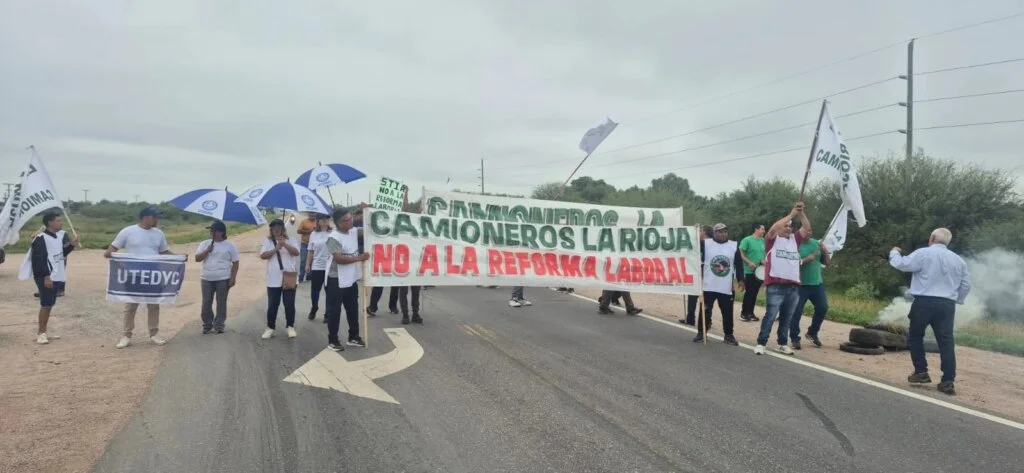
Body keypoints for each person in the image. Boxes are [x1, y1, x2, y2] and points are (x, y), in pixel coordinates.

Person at [890, 228, 971, 396]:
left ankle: (921, 371)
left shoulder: (923, 253)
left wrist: (894, 252)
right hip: (947, 304)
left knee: (915, 335)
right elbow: (965, 285)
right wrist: (957, 299)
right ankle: (948, 381)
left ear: (932, 238)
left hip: (924, 302)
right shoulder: (958, 260)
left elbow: (902, 264)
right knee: (946, 341)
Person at [105, 206, 177, 349]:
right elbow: (113, 248)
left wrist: (177, 257)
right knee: (130, 305)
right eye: (155, 217)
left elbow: (164, 251)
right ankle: (126, 335)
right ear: (145, 217)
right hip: (133, 275)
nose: (157, 219)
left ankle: (153, 334)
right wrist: (109, 254)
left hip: (153, 275)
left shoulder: (159, 233)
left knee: (154, 305)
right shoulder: (128, 231)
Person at [754, 202, 810, 356]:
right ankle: (761, 343)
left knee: (787, 318)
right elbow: (773, 228)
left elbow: (807, 228)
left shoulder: (795, 240)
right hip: (775, 286)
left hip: (793, 287)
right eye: (785, 226)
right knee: (771, 316)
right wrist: (791, 215)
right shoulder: (772, 240)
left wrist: (801, 213)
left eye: (790, 226)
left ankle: (782, 343)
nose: (788, 228)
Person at [28, 211, 78, 344]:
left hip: (56, 275)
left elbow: (61, 254)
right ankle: (41, 333)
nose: (61, 222)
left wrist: (72, 245)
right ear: (50, 222)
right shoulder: (41, 238)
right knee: (45, 304)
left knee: (50, 304)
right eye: (58, 220)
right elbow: (38, 259)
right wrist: (46, 276)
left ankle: (44, 331)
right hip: (47, 276)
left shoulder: (58, 237)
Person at [325, 207, 368, 349]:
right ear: (338, 223)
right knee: (334, 311)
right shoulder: (333, 237)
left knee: (352, 308)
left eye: (351, 218)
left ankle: (353, 336)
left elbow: (370, 228)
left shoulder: (354, 232)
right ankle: (333, 340)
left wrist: (369, 211)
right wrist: (359, 258)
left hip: (350, 278)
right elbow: (339, 259)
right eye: (346, 220)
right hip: (335, 279)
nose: (350, 221)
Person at [693, 223, 743, 346]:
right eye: (719, 232)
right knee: (704, 310)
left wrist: (741, 279)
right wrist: (693, 232)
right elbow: (692, 248)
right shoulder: (706, 244)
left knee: (727, 312)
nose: (722, 234)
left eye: (725, 231)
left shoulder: (734, 246)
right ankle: (701, 332)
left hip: (726, 286)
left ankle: (728, 335)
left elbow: (739, 264)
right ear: (714, 233)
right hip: (708, 284)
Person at [195, 220, 239, 334]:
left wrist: (233, 278)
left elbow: (235, 263)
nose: (212, 233)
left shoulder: (230, 245)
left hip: (223, 278)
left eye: (214, 231)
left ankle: (219, 324)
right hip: (206, 278)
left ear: (221, 232)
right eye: (211, 231)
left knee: (221, 302)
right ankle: (207, 324)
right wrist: (207, 251)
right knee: (206, 302)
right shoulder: (205, 244)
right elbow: (197, 258)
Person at [788, 231, 831, 349]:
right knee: (796, 311)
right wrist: (807, 259)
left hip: (817, 283)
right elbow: (789, 264)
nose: (809, 232)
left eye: (810, 230)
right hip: (800, 285)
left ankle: (812, 333)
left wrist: (825, 250)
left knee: (823, 307)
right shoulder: (794, 245)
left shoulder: (816, 244)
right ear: (799, 232)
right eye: (805, 230)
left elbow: (827, 263)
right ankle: (794, 338)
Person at [259, 219, 300, 340]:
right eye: (274, 228)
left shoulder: (291, 239)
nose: (276, 230)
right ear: (271, 229)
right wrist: (276, 248)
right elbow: (263, 256)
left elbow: (296, 252)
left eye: (279, 227)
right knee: (273, 305)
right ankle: (270, 327)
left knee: (289, 304)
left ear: (283, 228)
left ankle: (290, 326)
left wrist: (285, 244)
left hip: (289, 277)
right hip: (273, 278)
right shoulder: (267, 241)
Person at [680, 225, 711, 325]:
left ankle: (691, 319)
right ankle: (707, 320)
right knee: (706, 299)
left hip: (700, 273)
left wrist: (693, 232)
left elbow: (691, 244)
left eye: (701, 230)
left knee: (693, 297)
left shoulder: (702, 243)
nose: (699, 232)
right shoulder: (714, 244)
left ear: (705, 232)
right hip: (708, 275)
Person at [306, 213, 332, 322]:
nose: (325, 221)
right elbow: (310, 251)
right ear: (318, 222)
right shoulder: (313, 234)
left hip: (330, 267)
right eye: (322, 220)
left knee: (329, 291)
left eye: (327, 219)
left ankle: (327, 313)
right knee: (315, 290)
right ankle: (314, 307)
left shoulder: (333, 233)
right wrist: (308, 264)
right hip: (317, 266)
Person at [739, 223, 767, 322]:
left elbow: (763, 255)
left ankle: (751, 313)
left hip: (759, 272)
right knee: (749, 292)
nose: (764, 231)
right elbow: (741, 254)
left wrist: (763, 261)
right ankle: (744, 313)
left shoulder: (763, 241)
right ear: (756, 229)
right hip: (749, 271)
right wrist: (749, 262)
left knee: (754, 293)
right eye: (762, 229)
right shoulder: (747, 240)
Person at [297, 213, 316, 282]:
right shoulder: (304, 222)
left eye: (314, 215)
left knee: (312, 261)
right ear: (308, 215)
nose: (312, 216)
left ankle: (309, 275)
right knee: (303, 261)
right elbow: (298, 231)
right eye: (311, 215)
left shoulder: (318, 222)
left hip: (314, 245)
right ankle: (301, 276)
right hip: (305, 244)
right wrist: (309, 232)